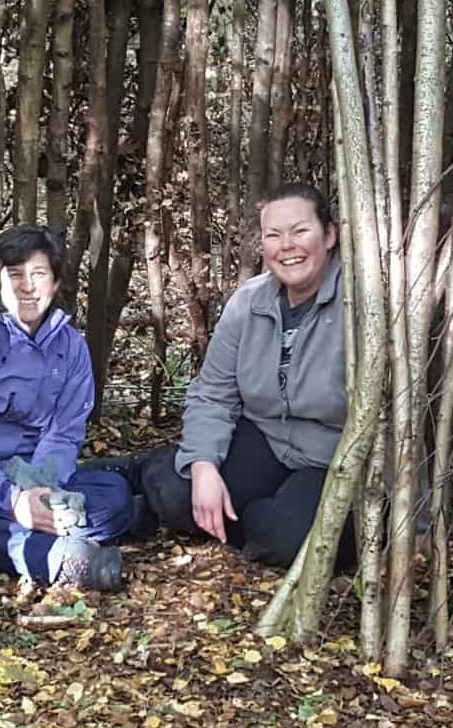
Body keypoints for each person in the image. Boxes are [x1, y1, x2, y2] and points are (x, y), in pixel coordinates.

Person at [132, 183, 356, 569]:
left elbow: (400, 420)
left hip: (330, 458)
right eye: (273, 235)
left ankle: (252, 516)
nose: (287, 245)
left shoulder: (359, 303)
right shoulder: (249, 301)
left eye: (300, 231)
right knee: (175, 492)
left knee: (291, 543)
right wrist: (203, 467)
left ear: (330, 235)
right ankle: (149, 469)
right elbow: (213, 394)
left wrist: (415, 523)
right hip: (263, 439)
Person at [0, 226, 130, 590]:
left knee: (114, 497)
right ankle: (61, 557)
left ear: (56, 284)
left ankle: (39, 540)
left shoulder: (71, 346)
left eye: (38, 274)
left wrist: (42, 494)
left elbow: (65, 432)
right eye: (14, 275)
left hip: (36, 476)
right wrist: (13, 501)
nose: (27, 286)